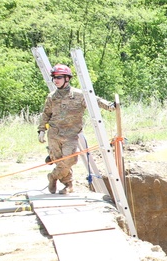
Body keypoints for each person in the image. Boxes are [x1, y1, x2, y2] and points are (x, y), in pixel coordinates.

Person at [37, 64, 116, 195]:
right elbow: (46, 114)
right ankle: (68, 184)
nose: (55, 80)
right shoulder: (52, 97)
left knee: (70, 160)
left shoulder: (79, 95)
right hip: (54, 134)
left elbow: (94, 101)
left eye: (59, 77)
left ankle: (53, 176)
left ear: (67, 79)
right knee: (58, 160)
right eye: (54, 78)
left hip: (71, 135)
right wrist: (41, 130)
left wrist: (110, 106)